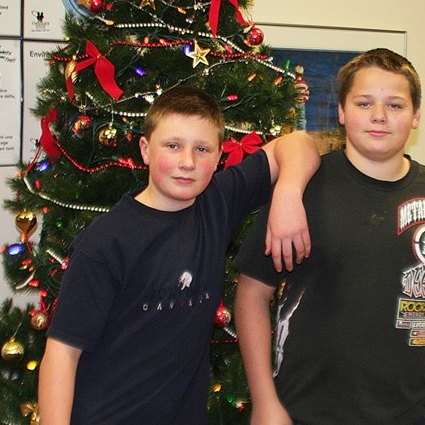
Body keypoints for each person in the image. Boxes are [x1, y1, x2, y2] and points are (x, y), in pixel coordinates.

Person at [234, 48, 425, 425]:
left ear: (416, 115)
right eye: (363, 103)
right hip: (304, 410)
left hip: (406, 412)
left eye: (395, 105)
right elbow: (251, 294)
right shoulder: (303, 188)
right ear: (341, 111)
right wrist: (265, 401)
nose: (378, 116)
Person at [37, 85, 320, 424]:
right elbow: (61, 354)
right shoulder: (106, 241)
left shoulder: (217, 203)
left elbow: (299, 144)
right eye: (173, 146)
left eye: (202, 149)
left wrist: (287, 193)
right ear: (146, 149)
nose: (187, 162)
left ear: (218, 158)